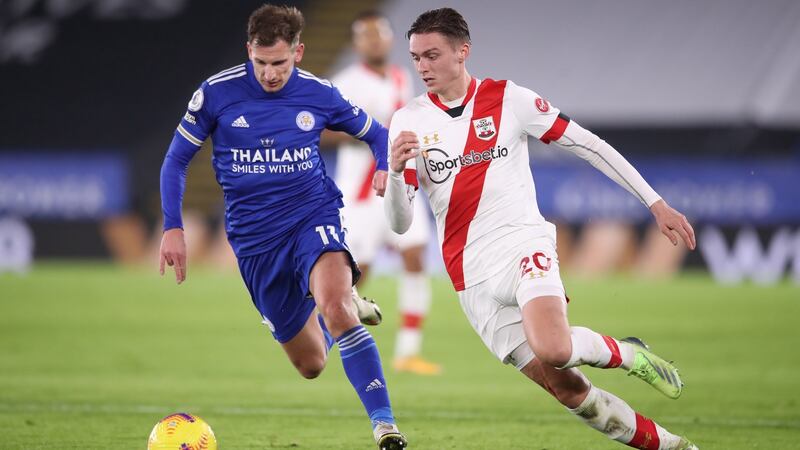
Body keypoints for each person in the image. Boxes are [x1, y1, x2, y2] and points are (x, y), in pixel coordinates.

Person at [385, 8, 698, 450]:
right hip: (469, 276)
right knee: (570, 391)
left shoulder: (509, 100)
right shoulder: (408, 120)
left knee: (554, 347)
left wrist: (655, 202)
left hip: (522, 244)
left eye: (432, 55)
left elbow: (590, 145)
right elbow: (399, 225)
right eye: (415, 58)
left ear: (462, 52)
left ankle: (628, 353)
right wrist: (397, 173)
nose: (422, 67)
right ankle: (676, 447)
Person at [158, 5, 407, 449]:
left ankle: (384, 424)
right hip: (254, 240)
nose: (271, 74)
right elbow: (176, 159)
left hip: (312, 214)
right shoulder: (217, 94)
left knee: (334, 307)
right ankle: (342, 306)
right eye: (262, 63)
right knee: (311, 363)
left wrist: (386, 166)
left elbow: (377, 133)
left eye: (280, 63)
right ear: (248, 51)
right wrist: (173, 227)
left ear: (299, 52)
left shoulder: (319, 93)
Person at [323, 11, 440, 376]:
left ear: (390, 40)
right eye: (367, 36)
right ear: (357, 43)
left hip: (399, 183)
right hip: (359, 194)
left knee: (416, 255)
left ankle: (407, 352)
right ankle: (323, 340)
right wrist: (367, 133)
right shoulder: (344, 83)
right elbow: (319, 131)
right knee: (358, 273)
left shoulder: (403, 78)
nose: (375, 42)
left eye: (380, 35)